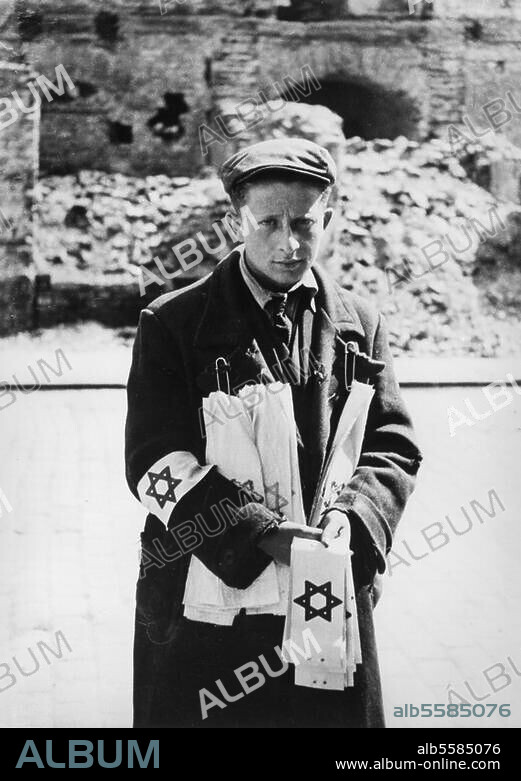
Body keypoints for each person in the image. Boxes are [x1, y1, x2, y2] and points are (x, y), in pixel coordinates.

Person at [125, 137, 422, 728]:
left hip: (325, 589)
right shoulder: (173, 323)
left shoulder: (359, 323)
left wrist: (353, 518)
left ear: (329, 220)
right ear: (238, 222)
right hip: (204, 596)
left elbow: (393, 443)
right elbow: (152, 461)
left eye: (306, 224)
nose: (289, 243)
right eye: (269, 223)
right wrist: (264, 534)